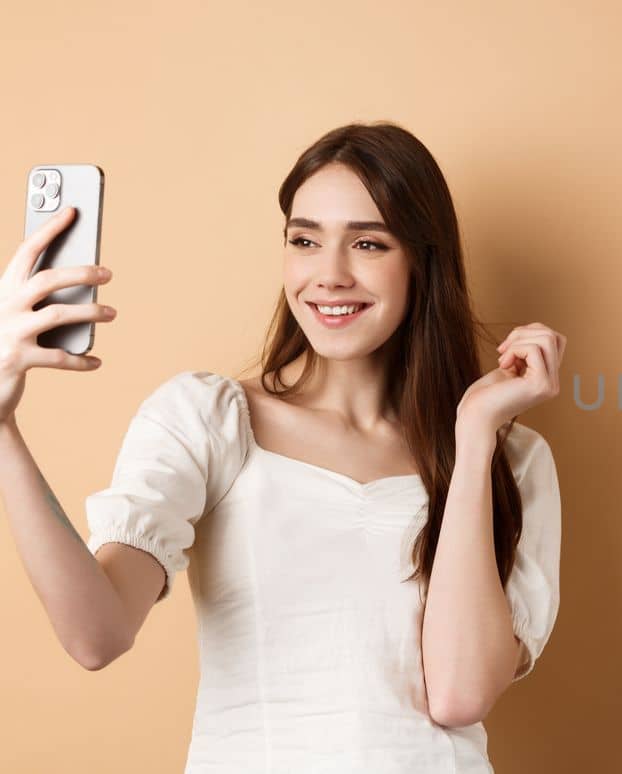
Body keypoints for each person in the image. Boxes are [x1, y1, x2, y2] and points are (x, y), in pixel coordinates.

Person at [0, 121, 566, 772]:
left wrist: (472, 441)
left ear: (422, 260)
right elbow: (94, 635)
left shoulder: (511, 460)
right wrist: (2, 428)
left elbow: (460, 694)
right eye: (305, 240)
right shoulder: (209, 419)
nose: (329, 275)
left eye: (369, 243)